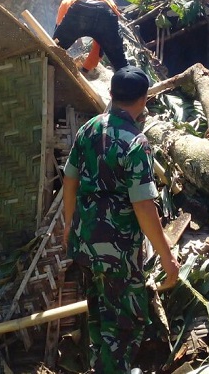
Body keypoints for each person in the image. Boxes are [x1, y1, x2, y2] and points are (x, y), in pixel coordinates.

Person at [62, 66, 180, 373]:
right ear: (143, 100)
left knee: (99, 317)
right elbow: (143, 207)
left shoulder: (88, 129)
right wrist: (167, 258)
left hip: (86, 243)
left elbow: (70, 181)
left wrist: (68, 228)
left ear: (111, 94)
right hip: (117, 252)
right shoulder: (136, 143)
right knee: (125, 328)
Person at [53, 0, 128, 73]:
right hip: (106, 11)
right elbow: (98, 47)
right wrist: (85, 69)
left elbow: (59, 32)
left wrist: (59, 43)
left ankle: (48, 67)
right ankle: (128, 79)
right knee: (120, 62)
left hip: (80, 8)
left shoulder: (66, 1)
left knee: (54, 49)